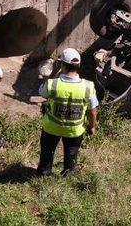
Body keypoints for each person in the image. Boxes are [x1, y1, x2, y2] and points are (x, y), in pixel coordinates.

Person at [37, 48, 98, 177]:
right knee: (72, 152)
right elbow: (93, 111)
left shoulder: (52, 84)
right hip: (75, 130)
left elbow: (42, 92)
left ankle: (44, 173)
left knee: (47, 152)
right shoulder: (88, 86)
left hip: (51, 128)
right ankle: (68, 173)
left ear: (62, 65)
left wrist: (52, 75)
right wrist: (92, 126)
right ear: (78, 66)